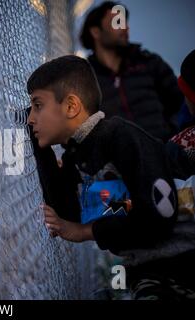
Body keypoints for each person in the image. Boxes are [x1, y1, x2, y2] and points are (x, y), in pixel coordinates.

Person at [27, 55, 195, 300]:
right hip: (152, 268)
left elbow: (157, 215)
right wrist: (39, 146)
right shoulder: (80, 151)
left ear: (71, 107)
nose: (31, 117)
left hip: (181, 264)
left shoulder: (120, 138)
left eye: (37, 105)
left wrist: (86, 231)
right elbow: (74, 210)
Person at [80, 1, 183, 142]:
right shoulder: (85, 78)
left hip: (163, 155)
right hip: (116, 162)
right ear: (95, 31)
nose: (126, 28)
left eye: (125, 22)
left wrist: (171, 139)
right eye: (117, 22)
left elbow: (181, 103)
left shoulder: (150, 63)